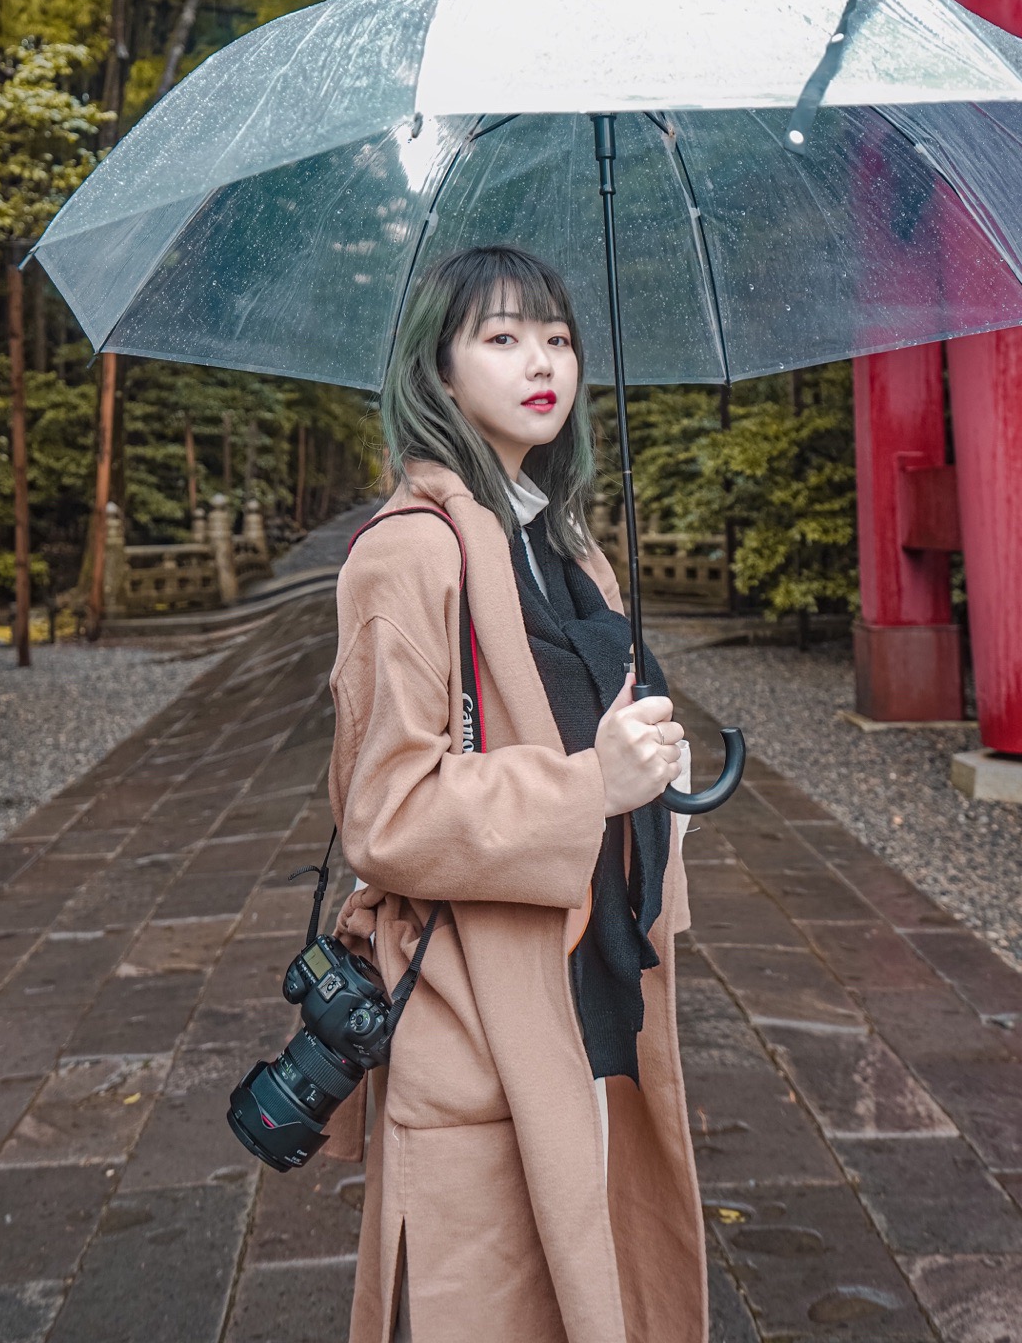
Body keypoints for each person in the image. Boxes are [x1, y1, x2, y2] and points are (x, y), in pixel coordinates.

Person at [326, 244, 708, 1343]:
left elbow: (589, 724)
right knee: (491, 1297)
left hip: (593, 969)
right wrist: (592, 783)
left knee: (596, 1265)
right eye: (499, 337)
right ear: (439, 374)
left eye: (556, 337)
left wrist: (651, 774)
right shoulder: (406, 556)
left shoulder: (566, 541)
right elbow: (384, 815)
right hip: (481, 997)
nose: (540, 361)